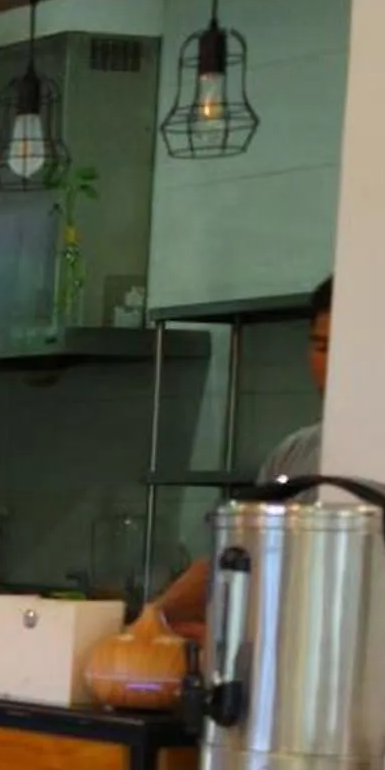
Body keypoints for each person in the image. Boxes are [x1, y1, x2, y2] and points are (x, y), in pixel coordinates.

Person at [129, 275, 330, 641]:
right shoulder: (293, 454)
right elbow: (233, 560)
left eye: (343, 348)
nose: (330, 366)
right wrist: (151, 622)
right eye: (321, 346)